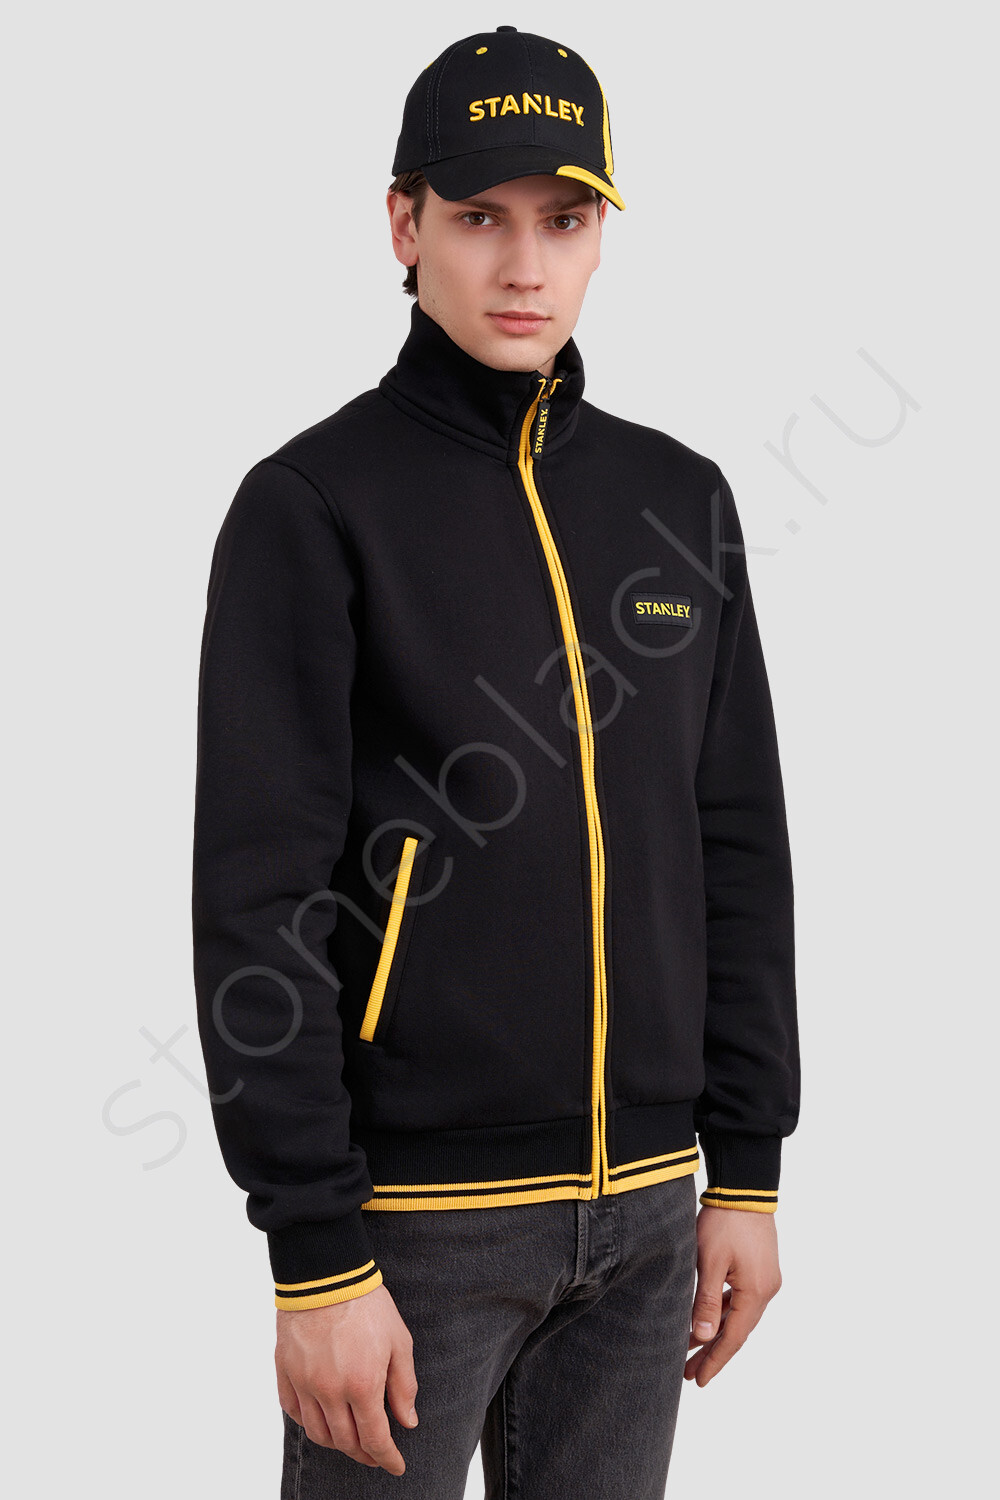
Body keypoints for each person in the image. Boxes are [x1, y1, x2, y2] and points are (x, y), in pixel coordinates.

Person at [192, 24, 800, 1499]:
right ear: (404, 226)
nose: (525, 267)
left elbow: (734, 843)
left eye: (564, 220)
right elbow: (258, 899)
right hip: (410, 1230)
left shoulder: (678, 499)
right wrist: (313, 1252)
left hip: (650, 1222)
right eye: (479, 217)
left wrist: (747, 1169)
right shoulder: (313, 504)